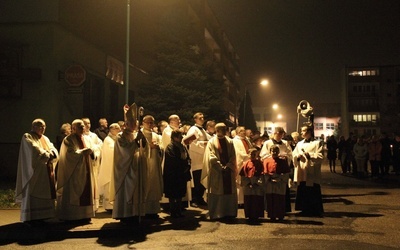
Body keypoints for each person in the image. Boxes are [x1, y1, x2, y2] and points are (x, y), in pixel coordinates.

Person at [15, 119, 58, 226]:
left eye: (44, 126)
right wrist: (47, 154)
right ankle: (31, 217)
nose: (42, 128)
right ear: (33, 127)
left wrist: (52, 152)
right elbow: (33, 149)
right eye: (40, 126)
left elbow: (52, 147)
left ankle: (44, 216)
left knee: (45, 192)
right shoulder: (27, 136)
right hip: (33, 172)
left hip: (45, 171)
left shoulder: (45, 138)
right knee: (32, 191)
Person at [56, 119, 96, 223]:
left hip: (86, 169)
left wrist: (93, 153)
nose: (83, 128)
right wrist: (83, 152)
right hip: (74, 171)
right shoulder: (68, 139)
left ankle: (85, 215)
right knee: (74, 192)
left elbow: (93, 150)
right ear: (73, 128)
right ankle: (72, 216)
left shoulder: (87, 139)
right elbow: (70, 154)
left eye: (83, 126)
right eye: (80, 127)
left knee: (87, 191)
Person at [112, 103, 145, 223]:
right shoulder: (121, 136)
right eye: (132, 123)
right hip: (126, 169)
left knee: (136, 190)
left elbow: (143, 148)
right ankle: (125, 214)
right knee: (127, 190)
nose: (135, 125)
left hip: (136, 166)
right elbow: (124, 150)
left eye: (136, 123)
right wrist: (136, 141)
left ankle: (136, 213)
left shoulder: (136, 134)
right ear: (126, 124)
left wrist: (143, 140)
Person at [202, 123, 237, 220]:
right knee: (218, 190)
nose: (224, 130)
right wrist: (220, 167)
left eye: (224, 129)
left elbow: (233, 155)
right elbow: (211, 156)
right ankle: (217, 213)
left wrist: (229, 165)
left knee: (228, 190)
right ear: (217, 130)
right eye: (222, 129)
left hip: (228, 171)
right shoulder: (212, 142)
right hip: (216, 171)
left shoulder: (229, 141)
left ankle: (229, 212)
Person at [293, 125, 324, 217]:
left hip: (312, 170)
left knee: (312, 189)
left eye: (303, 131)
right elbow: (294, 154)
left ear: (309, 132)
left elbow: (321, 156)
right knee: (303, 188)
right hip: (302, 170)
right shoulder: (299, 144)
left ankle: (314, 209)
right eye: (301, 131)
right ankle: (303, 208)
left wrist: (310, 155)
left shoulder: (317, 143)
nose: (301, 133)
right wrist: (297, 156)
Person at [260, 127, 292, 213]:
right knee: (270, 189)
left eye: (282, 134)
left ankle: (283, 208)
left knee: (281, 188)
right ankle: (269, 208)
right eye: (278, 134)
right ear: (274, 133)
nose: (280, 136)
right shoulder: (267, 143)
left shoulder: (285, 143)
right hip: (271, 167)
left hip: (281, 167)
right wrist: (273, 156)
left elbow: (290, 154)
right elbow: (263, 155)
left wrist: (285, 157)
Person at [163, 129, 192, 218]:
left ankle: (178, 210)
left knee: (180, 193)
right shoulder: (170, 147)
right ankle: (173, 211)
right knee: (172, 193)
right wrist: (182, 165)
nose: (181, 138)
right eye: (180, 136)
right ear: (174, 137)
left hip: (181, 173)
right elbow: (172, 160)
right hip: (173, 174)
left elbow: (187, 157)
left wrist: (187, 164)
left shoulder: (182, 146)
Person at [139, 115, 163, 219]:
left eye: (151, 123)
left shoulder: (156, 135)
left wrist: (158, 147)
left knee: (154, 185)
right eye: (148, 122)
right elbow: (137, 148)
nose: (150, 124)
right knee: (145, 185)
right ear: (143, 122)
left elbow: (162, 147)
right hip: (144, 163)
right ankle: (143, 210)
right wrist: (149, 147)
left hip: (155, 163)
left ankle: (153, 210)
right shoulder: (139, 134)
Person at [183, 112, 209, 208]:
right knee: (196, 180)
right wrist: (205, 144)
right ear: (195, 119)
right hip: (196, 159)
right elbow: (188, 142)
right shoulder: (193, 130)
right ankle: (194, 199)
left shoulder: (203, 130)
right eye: (200, 118)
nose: (202, 119)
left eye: (203, 117)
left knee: (202, 179)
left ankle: (200, 197)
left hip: (202, 159)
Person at [263, 145, 291, 221]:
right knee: (271, 198)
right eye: (273, 151)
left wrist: (279, 179)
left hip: (280, 183)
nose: (274, 153)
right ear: (270, 152)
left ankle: (280, 214)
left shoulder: (283, 161)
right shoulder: (266, 161)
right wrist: (270, 179)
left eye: (276, 151)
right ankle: (272, 215)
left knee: (279, 199)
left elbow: (286, 173)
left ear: (278, 152)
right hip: (270, 182)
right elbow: (265, 173)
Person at [98, 123, 121, 210]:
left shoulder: (116, 138)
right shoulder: (108, 139)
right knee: (109, 186)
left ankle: (114, 205)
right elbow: (110, 151)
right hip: (109, 166)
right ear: (112, 130)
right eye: (117, 129)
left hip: (115, 166)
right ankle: (109, 206)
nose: (119, 130)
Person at [82, 117, 103, 209]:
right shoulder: (80, 136)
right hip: (86, 163)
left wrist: (94, 150)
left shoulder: (93, 135)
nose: (88, 125)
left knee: (95, 182)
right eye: (85, 123)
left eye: (89, 123)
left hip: (94, 161)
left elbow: (100, 144)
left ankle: (95, 204)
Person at [239, 148, 265, 220]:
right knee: (249, 199)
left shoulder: (259, 163)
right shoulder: (246, 164)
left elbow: (262, 174)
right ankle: (249, 214)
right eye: (251, 154)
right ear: (248, 154)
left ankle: (257, 214)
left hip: (257, 184)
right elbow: (243, 175)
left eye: (254, 154)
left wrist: (257, 183)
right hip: (248, 184)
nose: (252, 156)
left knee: (257, 200)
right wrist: (248, 183)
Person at [232, 126, 253, 208]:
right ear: (237, 132)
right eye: (241, 131)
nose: (243, 132)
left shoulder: (246, 139)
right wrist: (247, 156)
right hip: (240, 162)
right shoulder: (235, 141)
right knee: (239, 182)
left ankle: (246, 200)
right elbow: (238, 152)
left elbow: (250, 148)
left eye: (244, 130)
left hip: (248, 161)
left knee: (246, 181)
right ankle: (239, 201)